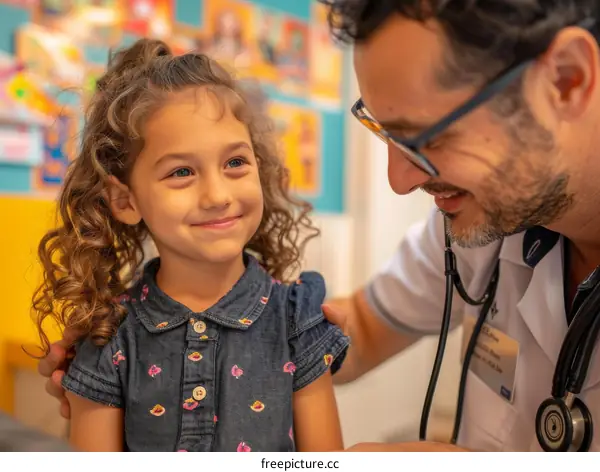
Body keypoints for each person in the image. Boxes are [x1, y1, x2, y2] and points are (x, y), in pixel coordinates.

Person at [37, 0, 600, 452]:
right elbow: (364, 329)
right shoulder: (481, 227)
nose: (399, 181)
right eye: (385, 134)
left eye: (427, 136)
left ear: (568, 81)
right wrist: (141, 353)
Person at [30, 38, 349, 452]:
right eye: (182, 171)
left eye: (235, 162)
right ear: (126, 200)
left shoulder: (299, 322)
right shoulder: (108, 336)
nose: (217, 195)